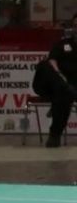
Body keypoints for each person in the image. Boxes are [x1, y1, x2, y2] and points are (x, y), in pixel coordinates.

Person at [32, 13, 77, 147]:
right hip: (49, 84)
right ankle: (62, 87)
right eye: (76, 25)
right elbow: (52, 60)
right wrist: (59, 76)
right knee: (44, 65)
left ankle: (54, 136)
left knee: (64, 95)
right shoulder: (62, 44)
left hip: (71, 88)